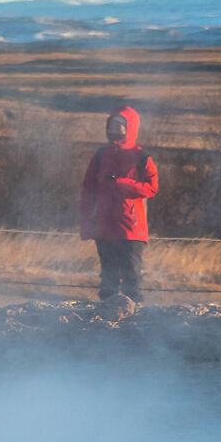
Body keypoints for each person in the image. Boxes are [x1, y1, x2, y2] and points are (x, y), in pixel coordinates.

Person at [78, 105, 159, 302]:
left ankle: (135, 315)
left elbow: (152, 187)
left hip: (131, 228)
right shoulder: (100, 156)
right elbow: (88, 192)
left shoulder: (142, 157)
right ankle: (107, 315)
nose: (114, 128)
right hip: (104, 227)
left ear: (130, 127)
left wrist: (121, 183)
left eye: (120, 125)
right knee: (108, 279)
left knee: (132, 277)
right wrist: (87, 223)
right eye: (111, 124)